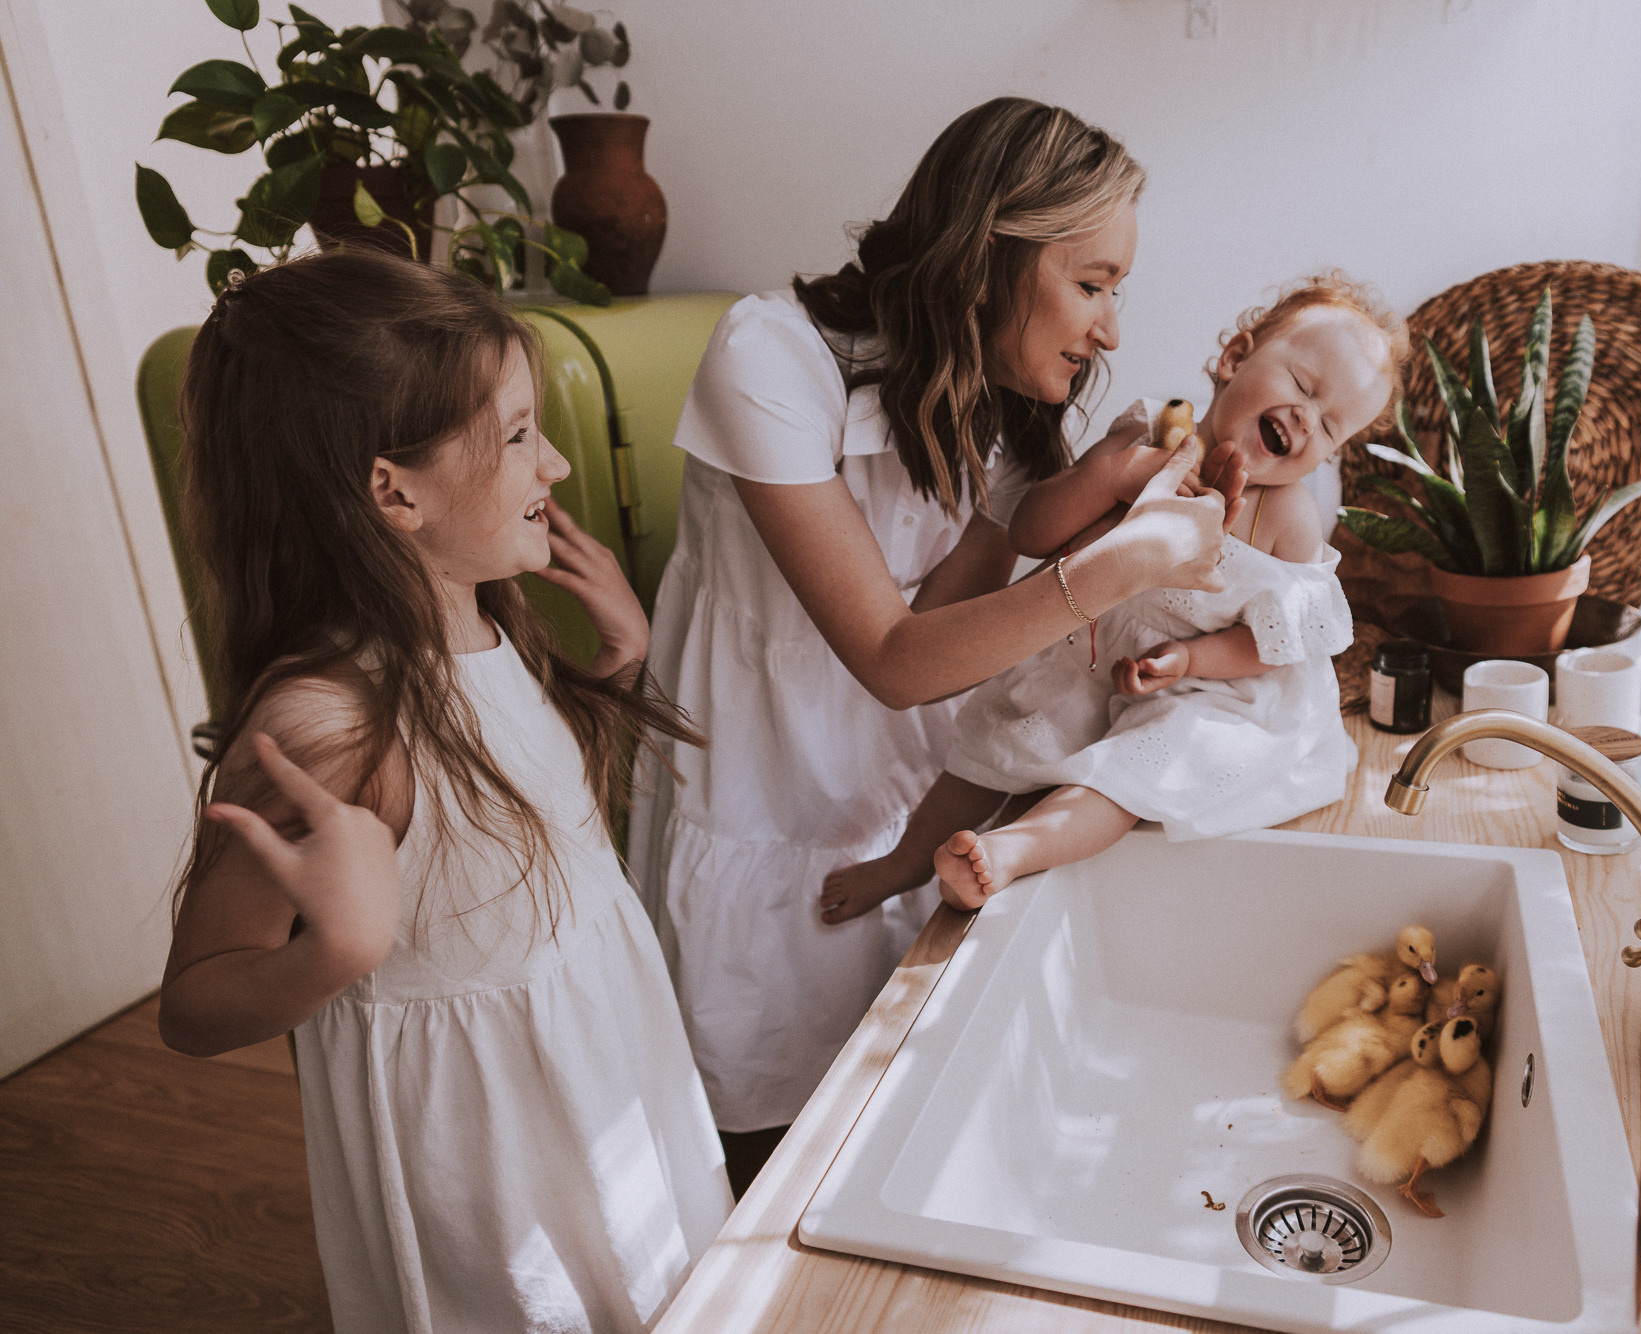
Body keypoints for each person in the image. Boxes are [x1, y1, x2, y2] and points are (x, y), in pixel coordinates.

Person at [627, 97, 1246, 1193]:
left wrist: (1092, 490)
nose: (1108, 330)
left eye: (1116, 292)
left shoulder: (986, 397)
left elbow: (947, 630)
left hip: (905, 800)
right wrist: (1123, 560)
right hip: (762, 797)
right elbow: (890, 653)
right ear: (983, 260)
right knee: (762, 1156)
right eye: (1091, 283)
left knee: (889, 1145)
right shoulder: (768, 354)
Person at [156, 251, 733, 1334]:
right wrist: (330, 951)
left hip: (602, 1064)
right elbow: (190, 1004)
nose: (554, 461)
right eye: (517, 435)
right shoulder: (327, 723)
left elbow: (540, 835)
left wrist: (615, 665)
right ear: (393, 489)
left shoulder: (486, 616)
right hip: (489, 1149)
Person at [819, 272, 1405, 916]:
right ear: (1235, 358)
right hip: (1095, 652)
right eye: (1301, 386)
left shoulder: (1286, 520)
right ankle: (905, 860)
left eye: (1329, 427)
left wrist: (1189, 662)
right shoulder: (1156, 429)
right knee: (998, 733)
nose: (1304, 418)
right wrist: (1118, 474)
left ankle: (1016, 850)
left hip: (1213, 689)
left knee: (1137, 769)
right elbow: (1034, 530)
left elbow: (1273, 645)